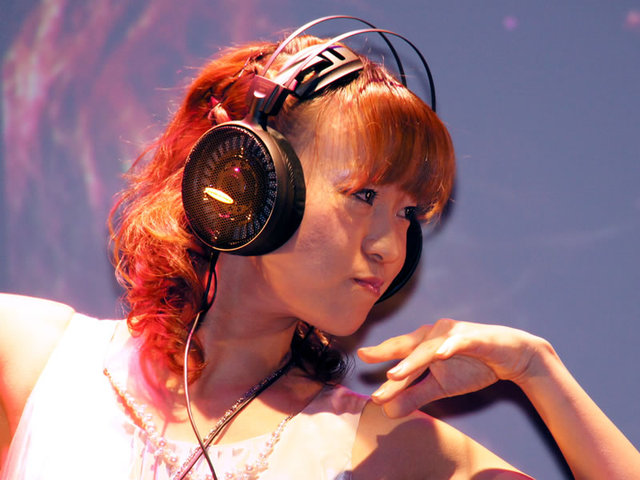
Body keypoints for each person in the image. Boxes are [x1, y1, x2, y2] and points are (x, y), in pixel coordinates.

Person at [1, 24, 639, 480]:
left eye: (408, 215)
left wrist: (537, 371)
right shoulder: (34, 356)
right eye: (364, 195)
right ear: (246, 180)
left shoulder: (379, 449)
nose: (391, 247)